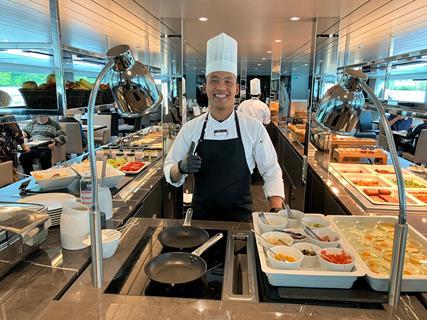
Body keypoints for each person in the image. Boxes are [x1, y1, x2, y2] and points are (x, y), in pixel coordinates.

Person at [164, 33, 284, 222]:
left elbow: (271, 170)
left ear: (236, 89)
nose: (221, 87)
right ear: (205, 87)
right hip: (200, 222)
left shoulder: (253, 128)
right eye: (214, 80)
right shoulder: (190, 128)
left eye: (228, 81)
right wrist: (181, 167)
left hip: (241, 222)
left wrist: (277, 211)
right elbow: (169, 170)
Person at [0, 115, 30, 181]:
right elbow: (17, 133)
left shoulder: (8, 117)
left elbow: (18, 134)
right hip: (7, 153)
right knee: (11, 175)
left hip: (7, 152)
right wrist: (24, 146)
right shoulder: (9, 117)